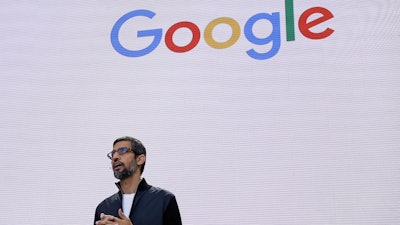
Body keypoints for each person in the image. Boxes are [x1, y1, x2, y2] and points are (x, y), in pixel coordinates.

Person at [94, 136, 182, 225]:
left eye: (122, 150)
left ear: (139, 159)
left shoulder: (164, 200)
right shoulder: (103, 208)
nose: (115, 157)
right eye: (113, 154)